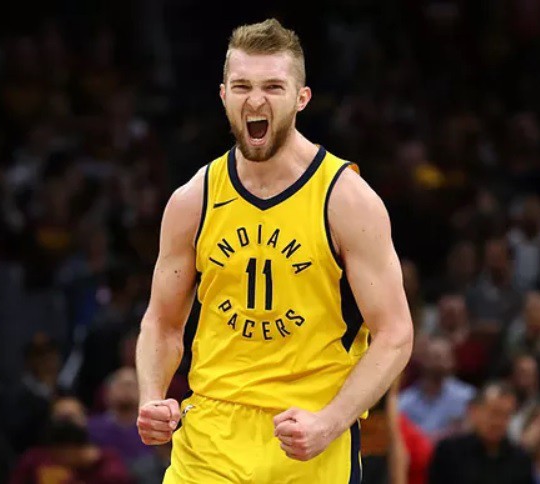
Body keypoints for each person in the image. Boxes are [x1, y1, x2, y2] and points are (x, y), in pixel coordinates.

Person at [135, 18, 414, 484]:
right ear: (223, 94)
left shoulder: (346, 199)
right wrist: (150, 397)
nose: (255, 100)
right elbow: (161, 324)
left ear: (301, 98)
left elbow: (396, 334)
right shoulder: (193, 200)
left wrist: (330, 422)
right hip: (210, 438)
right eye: (242, 86)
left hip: (308, 436)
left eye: (272, 86)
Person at [428, 381, 534, 484]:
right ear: (473, 411)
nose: (499, 422)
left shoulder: (521, 459)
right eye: (494, 413)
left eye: (506, 415)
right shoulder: (449, 452)